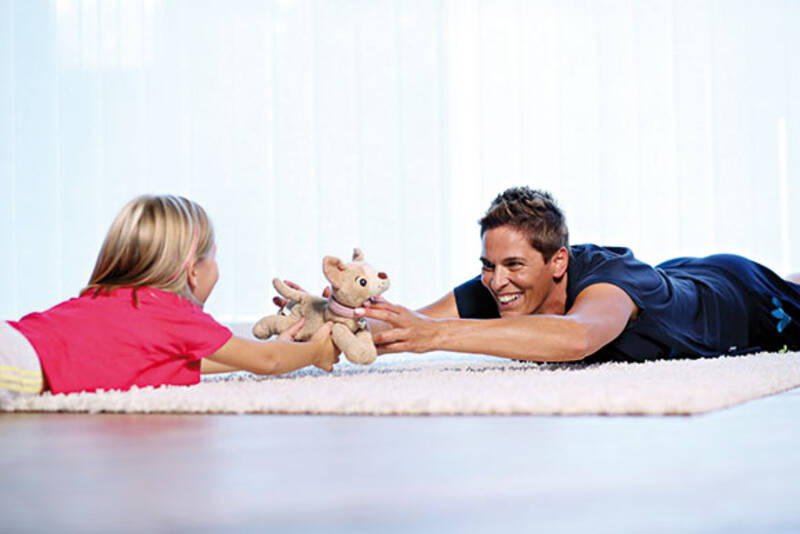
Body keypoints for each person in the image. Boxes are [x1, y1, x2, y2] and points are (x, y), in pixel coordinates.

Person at [360, 186, 800, 363]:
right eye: (488, 265)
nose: (495, 281)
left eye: (513, 265)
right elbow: (405, 324)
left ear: (558, 262)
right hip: (674, 276)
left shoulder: (610, 286)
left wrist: (438, 335)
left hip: (739, 295)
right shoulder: (499, 286)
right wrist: (340, 317)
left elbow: (576, 339)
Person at [0, 194, 339, 401]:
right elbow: (268, 362)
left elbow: (188, 360)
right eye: (214, 257)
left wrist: (279, 346)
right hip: (19, 362)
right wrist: (316, 352)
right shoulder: (173, 313)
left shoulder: (114, 301)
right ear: (193, 272)